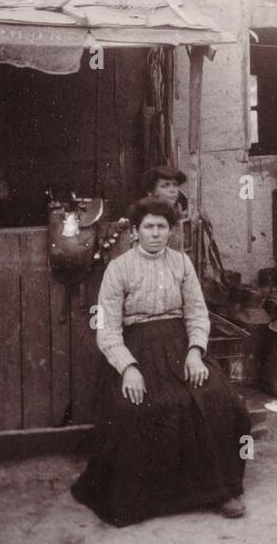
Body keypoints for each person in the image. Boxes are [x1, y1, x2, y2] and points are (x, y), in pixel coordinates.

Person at [72, 198, 251, 526]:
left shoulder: (181, 263)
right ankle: (142, 500)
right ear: (136, 232)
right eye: (148, 227)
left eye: (162, 227)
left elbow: (197, 312)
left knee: (219, 400)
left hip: (179, 346)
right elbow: (108, 328)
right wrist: (128, 368)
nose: (155, 234)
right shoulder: (119, 268)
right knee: (136, 409)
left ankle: (221, 489)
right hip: (135, 348)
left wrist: (196, 351)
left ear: (171, 231)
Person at [141, 165, 188, 251]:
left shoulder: (180, 211)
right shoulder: (143, 215)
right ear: (151, 192)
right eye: (165, 186)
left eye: (175, 185)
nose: (172, 190)